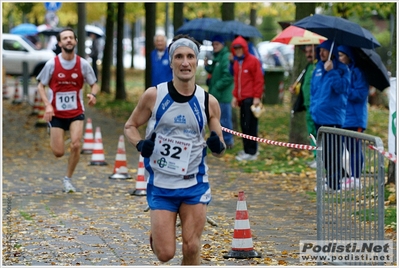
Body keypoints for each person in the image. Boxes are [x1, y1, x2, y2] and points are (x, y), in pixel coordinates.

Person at [124, 34, 226, 265]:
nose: (185, 62)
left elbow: (219, 147)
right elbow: (130, 126)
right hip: (161, 184)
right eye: (179, 57)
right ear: (171, 62)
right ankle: (159, 233)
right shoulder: (154, 95)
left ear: (197, 62)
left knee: (191, 246)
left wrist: (216, 145)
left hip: (194, 183)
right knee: (165, 254)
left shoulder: (208, 102)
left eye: (190, 56)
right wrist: (140, 144)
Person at [36, 28, 99, 193]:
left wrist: (92, 94)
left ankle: (67, 179)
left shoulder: (83, 64)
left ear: (76, 41)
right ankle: (55, 133)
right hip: (56, 113)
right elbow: (40, 85)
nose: (69, 40)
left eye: (71, 37)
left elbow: (94, 83)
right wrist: (47, 105)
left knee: (76, 145)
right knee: (58, 152)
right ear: (59, 43)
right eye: (65, 38)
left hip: (76, 112)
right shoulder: (52, 64)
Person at [310, 40, 350, 192]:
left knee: (334, 152)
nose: (321, 53)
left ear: (331, 52)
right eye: (319, 50)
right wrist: (313, 109)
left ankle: (335, 184)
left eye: (324, 50)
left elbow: (342, 88)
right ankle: (331, 180)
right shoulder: (318, 68)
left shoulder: (342, 70)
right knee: (324, 153)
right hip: (318, 117)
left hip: (332, 118)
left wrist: (332, 71)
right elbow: (314, 91)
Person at [338, 45, 369, 190]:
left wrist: (346, 91)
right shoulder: (343, 71)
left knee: (355, 148)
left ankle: (356, 178)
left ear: (349, 56)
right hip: (344, 117)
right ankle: (349, 176)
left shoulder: (357, 72)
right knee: (347, 148)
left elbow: (360, 94)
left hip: (355, 117)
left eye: (341, 55)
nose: (339, 58)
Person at [230, 36, 264, 161]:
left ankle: (252, 151)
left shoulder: (253, 61)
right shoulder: (236, 63)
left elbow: (258, 80)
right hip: (241, 99)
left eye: (239, 48)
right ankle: (246, 149)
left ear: (244, 48)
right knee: (244, 126)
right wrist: (235, 96)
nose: (238, 50)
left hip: (250, 99)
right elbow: (236, 81)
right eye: (235, 48)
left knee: (251, 126)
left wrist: (256, 96)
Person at [289, 45, 318, 168]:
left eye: (311, 51)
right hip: (307, 106)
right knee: (311, 133)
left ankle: (320, 157)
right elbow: (305, 86)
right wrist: (296, 89)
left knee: (317, 133)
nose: (308, 54)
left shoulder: (318, 67)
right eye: (306, 52)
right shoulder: (308, 67)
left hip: (316, 106)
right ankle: (316, 156)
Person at [204, 35, 235, 149]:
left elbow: (228, 76)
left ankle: (228, 141)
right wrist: (207, 66)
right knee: (217, 120)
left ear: (222, 45)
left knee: (225, 120)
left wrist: (216, 86)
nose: (214, 46)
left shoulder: (226, 57)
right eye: (213, 44)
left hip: (223, 95)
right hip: (216, 95)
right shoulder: (217, 57)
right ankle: (218, 140)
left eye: (217, 44)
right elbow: (214, 71)